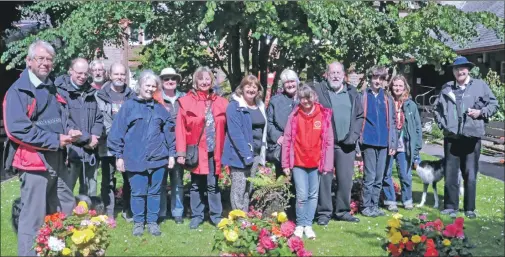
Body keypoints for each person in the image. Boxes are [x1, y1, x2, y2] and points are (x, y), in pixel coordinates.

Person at [3, 40, 80, 256]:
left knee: (64, 207)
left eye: (49, 59)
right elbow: (16, 130)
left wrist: (71, 130)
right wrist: (55, 140)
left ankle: (58, 251)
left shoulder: (51, 87)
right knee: (33, 217)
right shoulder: (18, 91)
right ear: (29, 61)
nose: (45, 63)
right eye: (41, 58)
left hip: (58, 159)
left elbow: (62, 117)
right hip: (34, 162)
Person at [108, 70, 175, 236]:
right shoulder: (129, 106)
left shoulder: (160, 109)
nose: (151, 88)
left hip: (158, 159)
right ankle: (139, 222)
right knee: (138, 192)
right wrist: (119, 156)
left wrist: (172, 154)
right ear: (140, 86)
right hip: (135, 158)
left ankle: (152, 222)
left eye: (154, 86)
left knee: (155, 192)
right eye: (148, 85)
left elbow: (169, 133)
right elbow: (117, 133)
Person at [434, 56, 498, 219]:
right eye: (456, 69)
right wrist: (444, 125)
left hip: (472, 137)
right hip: (452, 137)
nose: (459, 71)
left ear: (468, 70)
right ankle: (450, 206)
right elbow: (437, 109)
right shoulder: (447, 88)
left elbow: (493, 104)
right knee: (451, 173)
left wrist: (480, 113)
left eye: (462, 68)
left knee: (470, 173)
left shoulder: (480, 86)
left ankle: (469, 208)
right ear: (453, 71)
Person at [176, 66, 228, 229]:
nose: (205, 82)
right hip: (197, 151)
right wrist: (181, 152)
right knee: (196, 184)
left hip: (215, 151)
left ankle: (215, 216)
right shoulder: (186, 102)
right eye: (201, 78)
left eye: (207, 79)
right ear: (195, 81)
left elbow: (228, 127)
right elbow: (180, 128)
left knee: (213, 185)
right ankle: (197, 215)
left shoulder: (221, 102)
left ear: (211, 81)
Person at [281, 84, 334, 239]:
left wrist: (327, 165)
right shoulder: (294, 116)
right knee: (302, 194)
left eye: (308, 97)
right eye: (302, 98)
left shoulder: (323, 115)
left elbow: (329, 141)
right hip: (298, 162)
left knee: (313, 194)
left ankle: (308, 225)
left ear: (314, 97)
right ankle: (299, 224)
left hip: (316, 163)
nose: (305, 101)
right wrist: (285, 164)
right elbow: (287, 140)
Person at [313, 62, 363, 224]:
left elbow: (359, 116)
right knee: (325, 180)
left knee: (345, 179)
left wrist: (354, 136)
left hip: (346, 144)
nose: (335, 75)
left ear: (344, 75)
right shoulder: (319, 91)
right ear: (326, 74)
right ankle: (324, 213)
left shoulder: (352, 92)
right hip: (325, 145)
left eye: (338, 73)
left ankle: (342, 211)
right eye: (332, 72)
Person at [56, 58, 103, 197]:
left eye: (85, 73)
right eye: (79, 73)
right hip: (70, 152)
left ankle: (89, 219)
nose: (83, 77)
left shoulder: (91, 92)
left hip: (90, 153)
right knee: (65, 193)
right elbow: (64, 121)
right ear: (70, 70)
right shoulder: (60, 92)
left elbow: (98, 118)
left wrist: (94, 136)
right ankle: (65, 218)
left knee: (90, 194)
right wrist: (86, 139)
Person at [96, 62, 136, 221]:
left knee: (128, 179)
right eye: (116, 74)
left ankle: (128, 209)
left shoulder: (132, 96)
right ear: (110, 75)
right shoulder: (100, 95)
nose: (119, 77)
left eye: (122, 74)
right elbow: (99, 119)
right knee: (108, 180)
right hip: (107, 144)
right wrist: (115, 134)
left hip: (127, 145)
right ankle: (109, 212)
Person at [222, 75, 267, 212]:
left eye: (255, 87)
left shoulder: (260, 105)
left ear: (258, 90)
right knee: (238, 189)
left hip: (256, 154)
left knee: (249, 188)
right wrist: (247, 156)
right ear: (242, 88)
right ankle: (238, 219)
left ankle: (245, 216)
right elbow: (236, 134)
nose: (251, 89)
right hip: (239, 155)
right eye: (248, 86)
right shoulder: (234, 106)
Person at [359, 66, 397, 218]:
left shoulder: (387, 99)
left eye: (380, 79)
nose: (377, 81)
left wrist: (392, 143)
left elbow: (393, 123)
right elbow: (358, 119)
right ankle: (365, 206)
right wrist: (357, 143)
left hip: (384, 143)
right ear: (371, 79)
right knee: (370, 176)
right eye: (375, 78)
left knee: (379, 177)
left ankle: (374, 205)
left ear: (384, 81)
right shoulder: (363, 97)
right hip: (368, 141)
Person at [382, 75, 422, 212]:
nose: (398, 88)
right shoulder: (386, 102)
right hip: (388, 143)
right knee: (386, 173)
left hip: (404, 144)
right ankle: (390, 200)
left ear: (405, 87)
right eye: (395, 85)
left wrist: (417, 147)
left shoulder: (411, 105)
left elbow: (417, 127)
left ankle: (407, 200)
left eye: (400, 85)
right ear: (391, 87)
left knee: (405, 174)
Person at [153, 67, 186, 224]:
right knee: (160, 181)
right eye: (166, 79)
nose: (170, 81)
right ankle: (161, 212)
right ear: (162, 82)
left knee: (177, 181)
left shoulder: (184, 98)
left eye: (173, 78)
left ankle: (177, 211)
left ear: (177, 81)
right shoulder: (155, 99)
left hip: (179, 144)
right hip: (160, 145)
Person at [266, 69, 299, 177]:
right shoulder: (275, 101)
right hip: (282, 147)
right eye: (287, 82)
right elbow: (269, 122)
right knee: (283, 180)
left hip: (301, 146)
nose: (290, 85)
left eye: (292, 81)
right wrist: (278, 137)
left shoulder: (305, 98)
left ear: (297, 82)